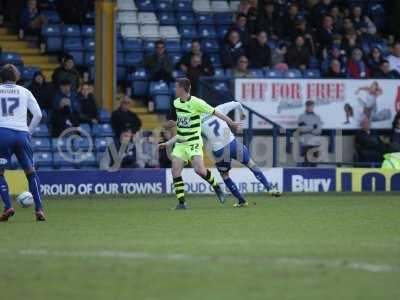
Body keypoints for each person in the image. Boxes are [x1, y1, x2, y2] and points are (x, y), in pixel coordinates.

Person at [160, 101, 281, 207]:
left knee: (225, 175)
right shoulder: (219, 109)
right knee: (251, 164)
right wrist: (242, 114)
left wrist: (170, 141)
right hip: (233, 143)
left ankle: (242, 201)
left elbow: (183, 135)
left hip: (219, 151)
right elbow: (237, 103)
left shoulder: (195, 120)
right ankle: (269, 188)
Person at [163, 78, 241, 209]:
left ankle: (216, 187)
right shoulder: (176, 103)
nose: (175, 89)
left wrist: (231, 122)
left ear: (183, 89)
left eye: (176, 87)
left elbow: (217, 113)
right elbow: (174, 121)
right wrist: (168, 125)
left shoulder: (197, 103)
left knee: (199, 170)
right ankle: (182, 203)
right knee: (175, 171)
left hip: (194, 141)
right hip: (181, 142)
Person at [0, 64, 45, 221]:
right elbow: (38, 115)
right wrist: (28, 132)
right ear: (17, 77)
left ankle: (8, 206)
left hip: (3, 133)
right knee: (30, 172)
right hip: (21, 133)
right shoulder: (25, 91)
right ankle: (39, 209)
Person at [297, 100, 323, 167]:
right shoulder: (301, 117)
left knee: (313, 164)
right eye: (307, 105)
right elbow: (301, 129)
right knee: (305, 164)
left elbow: (319, 131)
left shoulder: (317, 117)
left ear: (313, 106)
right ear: (305, 106)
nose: (309, 107)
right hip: (305, 143)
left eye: (310, 106)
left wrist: (308, 128)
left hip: (315, 143)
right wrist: (313, 127)